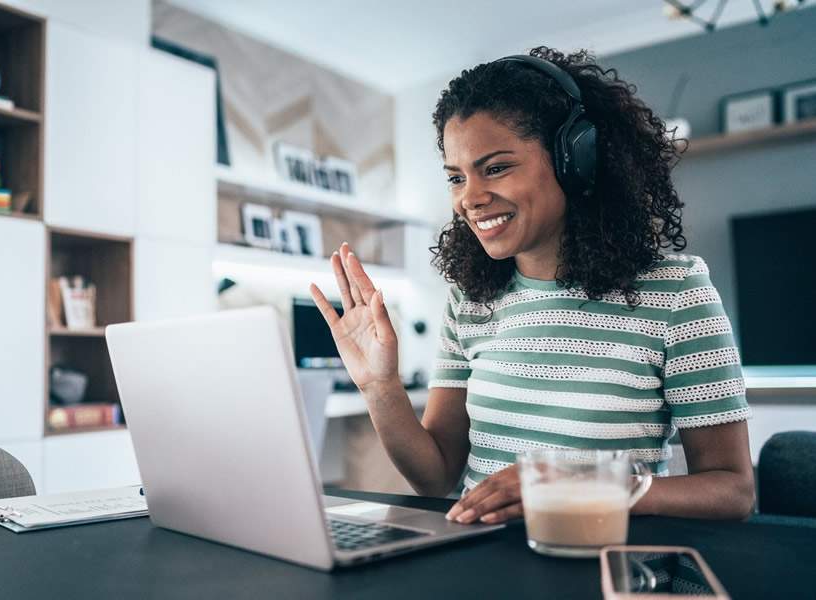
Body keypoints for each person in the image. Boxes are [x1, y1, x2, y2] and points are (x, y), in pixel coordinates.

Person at [309, 46, 755, 524]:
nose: (470, 199)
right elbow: (437, 477)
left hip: (596, 561)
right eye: (456, 178)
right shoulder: (470, 302)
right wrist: (380, 388)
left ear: (574, 160)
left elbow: (733, 490)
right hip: (478, 561)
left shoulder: (676, 293)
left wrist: (583, 488)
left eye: (496, 167)